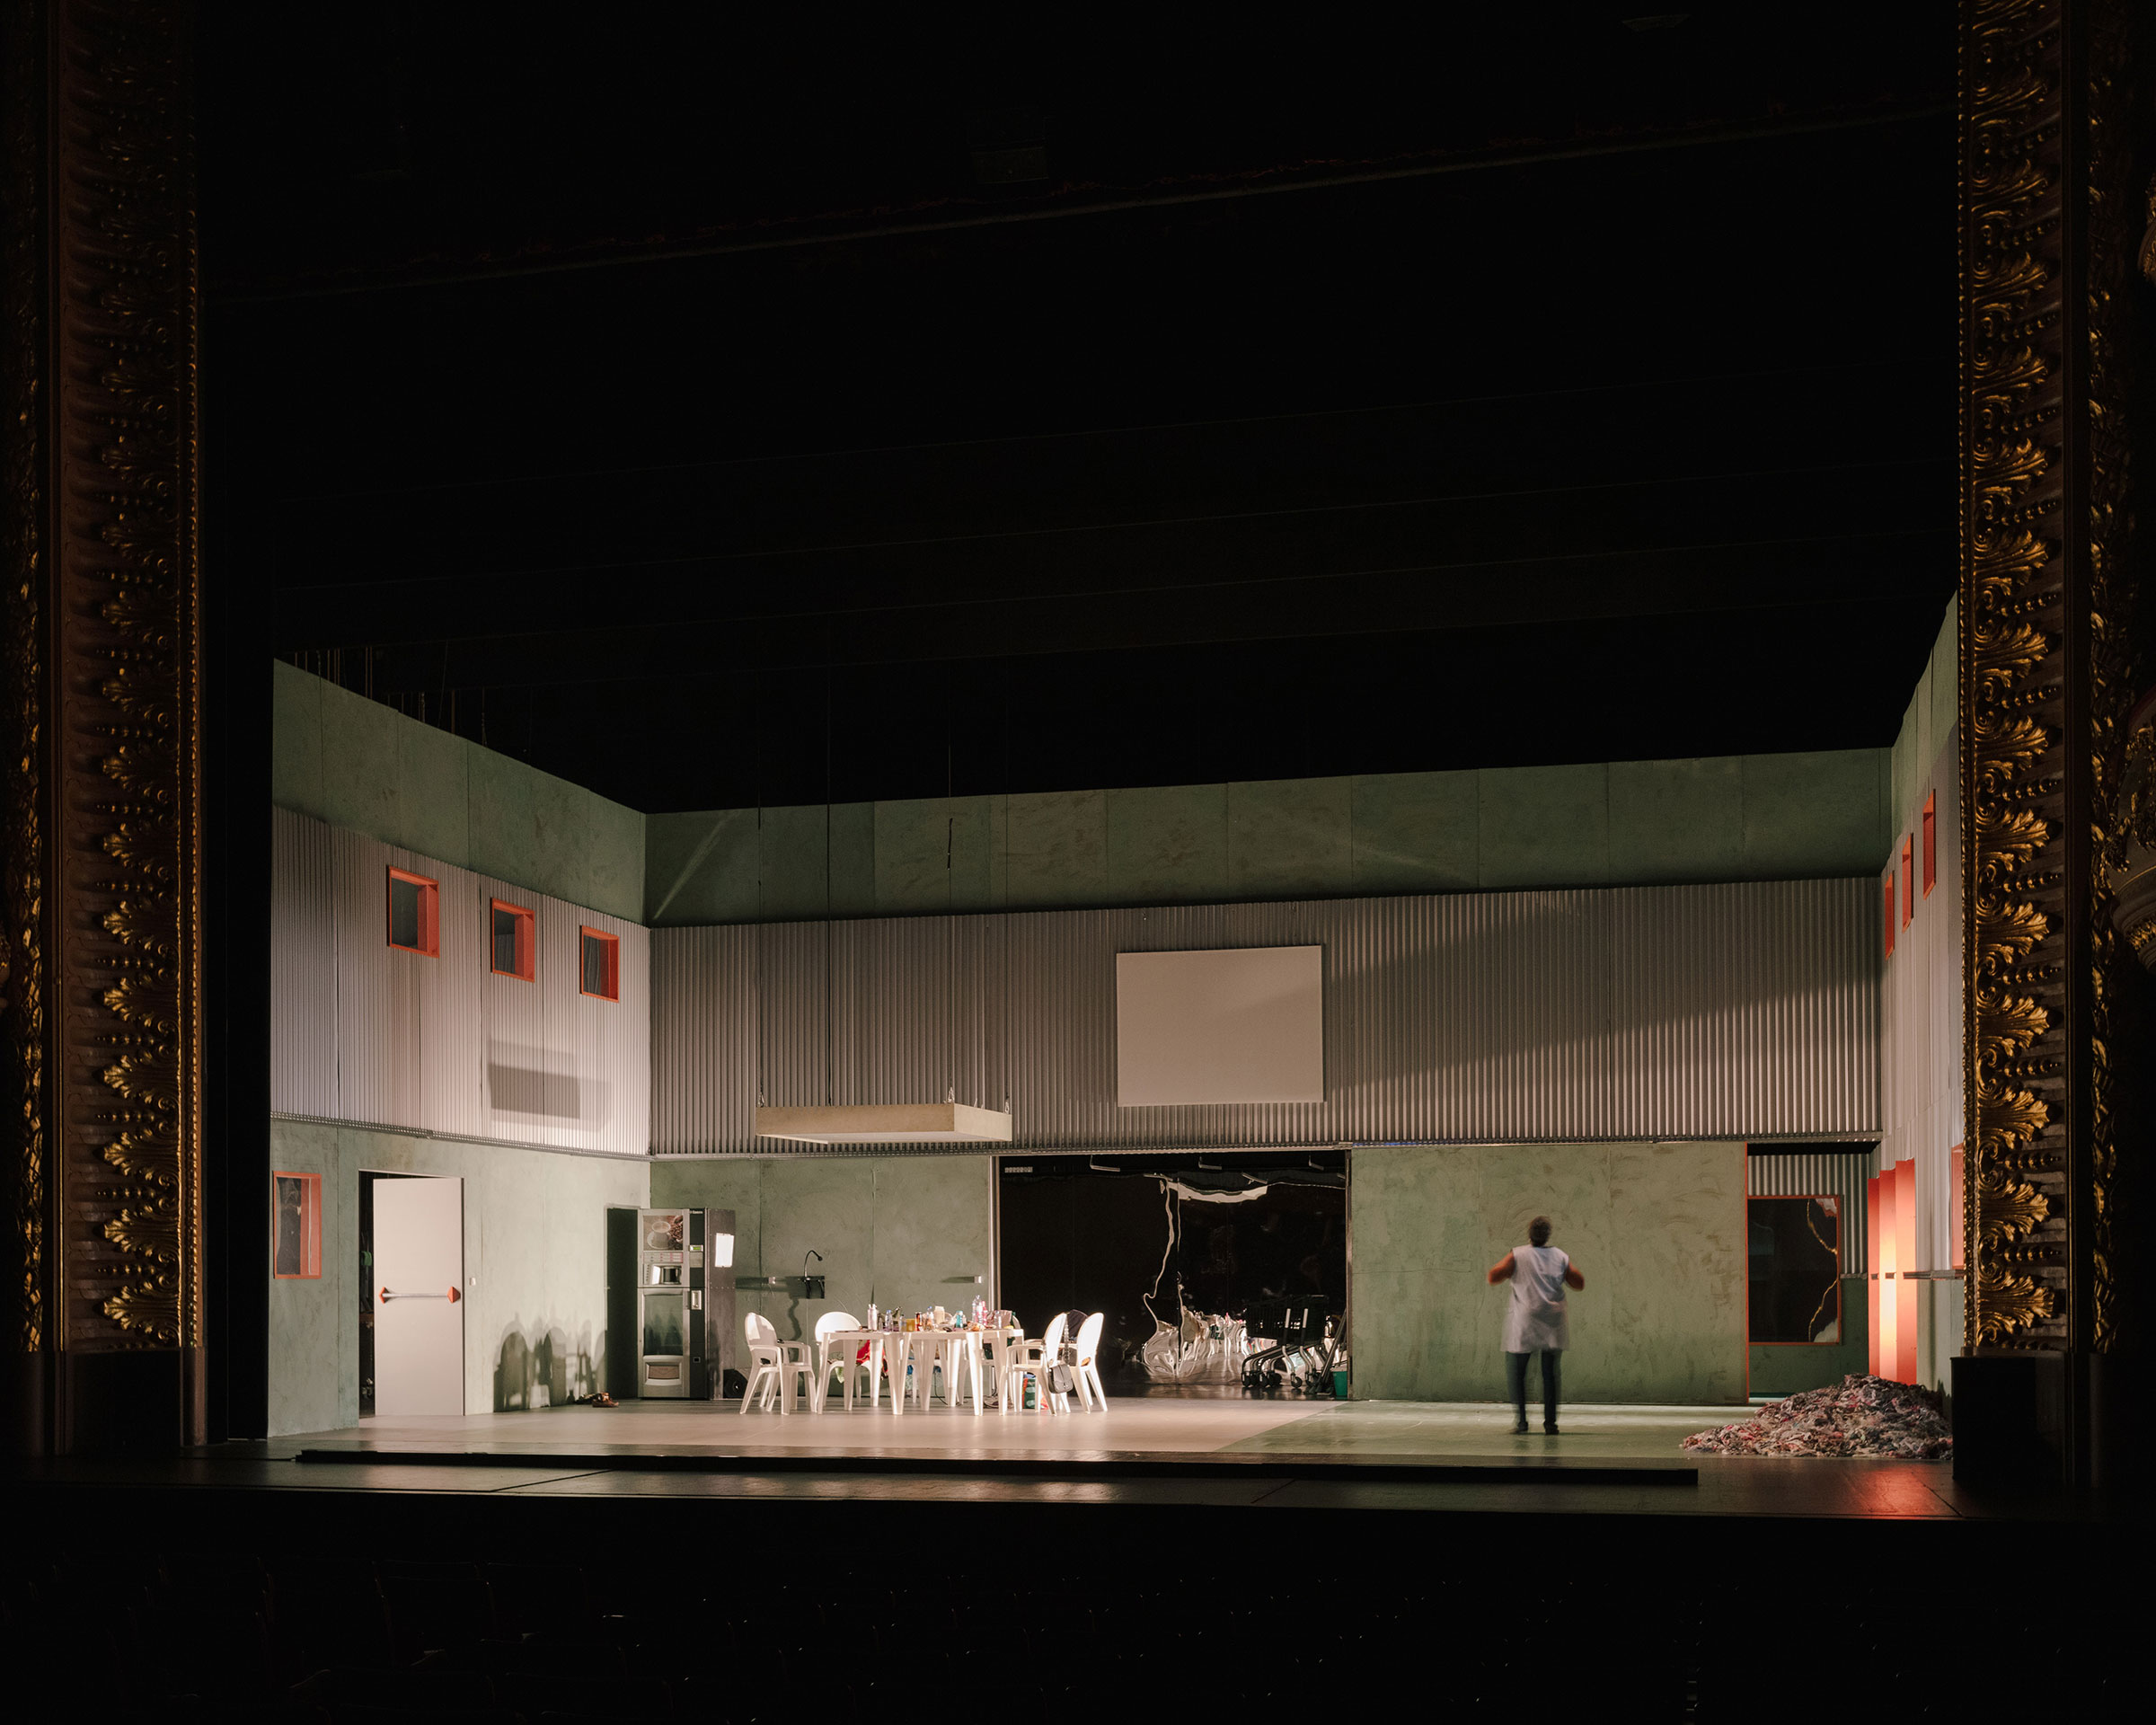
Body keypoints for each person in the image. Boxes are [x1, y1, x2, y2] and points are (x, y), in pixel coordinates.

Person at [1487, 1216, 1584, 1435]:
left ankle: (1522, 1423)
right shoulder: (1560, 1256)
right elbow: (1579, 1282)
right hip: (1552, 1320)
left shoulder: (1518, 1255)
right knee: (1550, 1375)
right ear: (1548, 1236)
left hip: (1526, 1321)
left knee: (1518, 1374)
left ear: (1529, 1235)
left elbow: (1493, 1276)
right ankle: (1550, 1424)